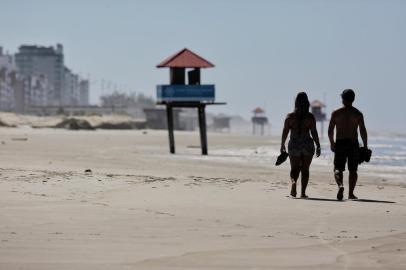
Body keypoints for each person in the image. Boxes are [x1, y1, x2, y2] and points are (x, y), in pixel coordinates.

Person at [328, 89, 368, 200]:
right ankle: (351, 193)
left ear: (342, 99)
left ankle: (340, 186)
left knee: (337, 168)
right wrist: (365, 146)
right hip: (353, 143)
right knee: (353, 170)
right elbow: (363, 131)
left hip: (340, 143)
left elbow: (330, 130)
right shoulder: (358, 114)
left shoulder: (336, 113)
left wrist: (332, 143)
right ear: (353, 99)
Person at [280, 92, 321, 198]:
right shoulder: (310, 117)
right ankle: (303, 193)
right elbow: (314, 132)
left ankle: (293, 183)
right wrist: (318, 145)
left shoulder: (290, 117)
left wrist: (282, 144)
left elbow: (285, 132)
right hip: (307, 144)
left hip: (294, 144)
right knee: (305, 169)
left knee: (294, 168)